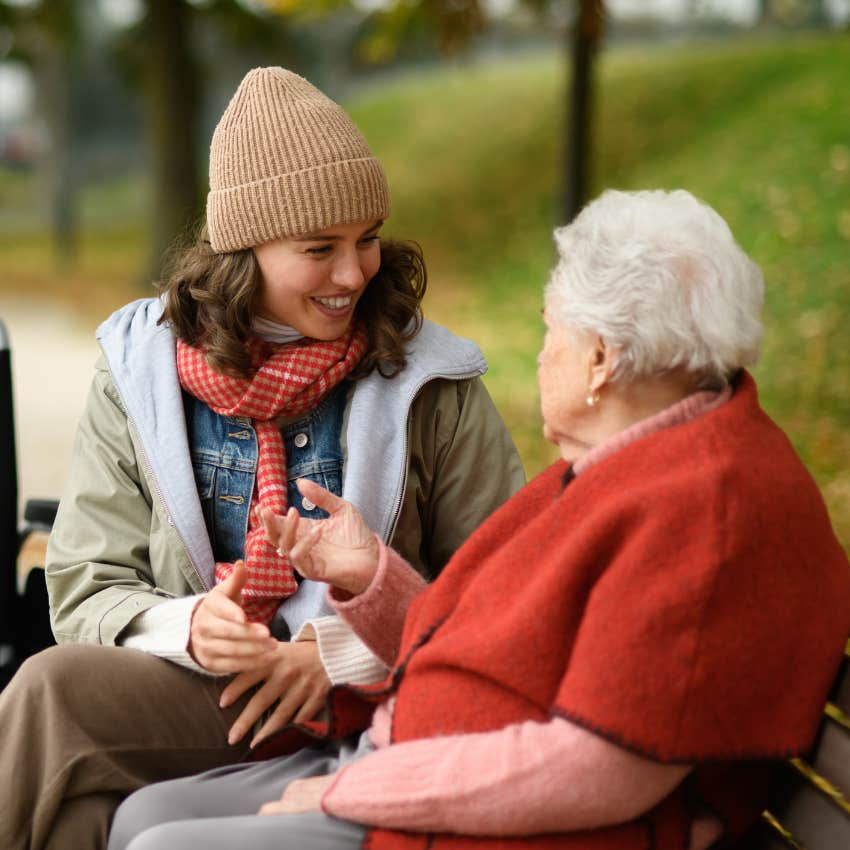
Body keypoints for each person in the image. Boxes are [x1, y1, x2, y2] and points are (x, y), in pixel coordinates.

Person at [110, 188, 850, 850]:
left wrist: (358, 789)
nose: (539, 354)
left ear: (601, 361)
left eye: (550, 330)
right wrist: (372, 576)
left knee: (159, 844)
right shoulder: (631, 459)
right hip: (416, 755)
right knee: (141, 820)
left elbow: (595, 772)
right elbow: (493, 639)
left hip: (482, 817)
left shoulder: (699, 510)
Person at [0, 67, 524, 850]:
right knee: (57, 707)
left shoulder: (432, 386)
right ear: (244, 250)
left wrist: (341, 654)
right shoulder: (139, 370)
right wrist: (192, 626)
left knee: (65, 741)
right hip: (207, 691)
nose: (355, 273)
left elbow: (506, 595)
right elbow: (85, 584)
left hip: (370, 700)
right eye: (321, 248)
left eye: (368, 239)